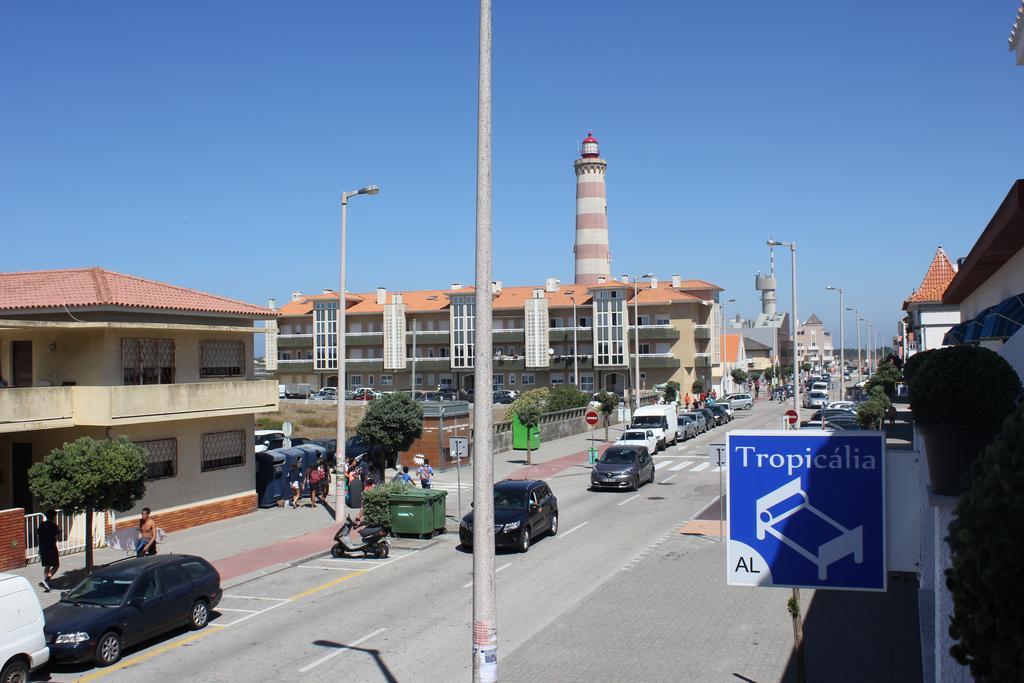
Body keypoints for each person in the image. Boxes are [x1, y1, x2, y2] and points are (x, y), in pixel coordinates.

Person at [37, 509, 61, 592]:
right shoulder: (54, 526)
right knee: (56, 565)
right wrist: (59, 533)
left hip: (43, 547)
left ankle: (47, 583)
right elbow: (57, 538)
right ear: (53, 517)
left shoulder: (41, 525)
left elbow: (38, 537)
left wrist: (40, 548)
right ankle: (47, 580)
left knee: (47, 565)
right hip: (51, 547)